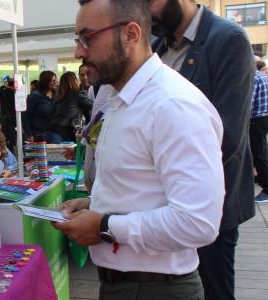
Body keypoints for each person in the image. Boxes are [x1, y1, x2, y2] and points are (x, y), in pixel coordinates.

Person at [54, 1, 225, 299]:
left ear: (131, 34)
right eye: (77, 40)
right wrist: (96, 204)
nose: (79, 52)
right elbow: (141, 185)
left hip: (157, 289)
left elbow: (198, 223)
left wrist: (106, 225)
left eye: (87, 38)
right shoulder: (121, 99)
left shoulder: (173, 105)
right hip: (126, 284)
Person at [150, 1, 256, 298]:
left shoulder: (228, 39)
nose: (144, 12)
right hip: (164, 207)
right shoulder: (157, 45)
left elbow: (228, 135)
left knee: (215, 290)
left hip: (209, 206)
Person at [51, 71, 93, 142]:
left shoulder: (58, 96)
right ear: (74, 81)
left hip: (51, 131)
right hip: (63, 132)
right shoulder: (77, 94)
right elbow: (94, 105)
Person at [22, 71, 58, 143]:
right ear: (46, 81)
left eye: (56, 80)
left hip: (54, 135)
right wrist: (29, 134)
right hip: (38, 135)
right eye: (53, 81)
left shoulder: (56, 94)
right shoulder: (34, 96)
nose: (55, 82)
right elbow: (25, 116)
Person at [252, 60, 268, 202]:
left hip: (255, 119)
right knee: (261, 152)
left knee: (259, 154)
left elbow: (248, 103)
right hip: (264, 118)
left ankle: (266, 188)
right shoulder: (263, 77)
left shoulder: (254, 78)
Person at [0, 75, 17, 152]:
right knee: (12, 133)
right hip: (12, 116)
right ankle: (10, 148)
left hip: (3, 115)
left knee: (4, 133)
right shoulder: (15, 91)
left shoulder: (1, 89)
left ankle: (6, 148)